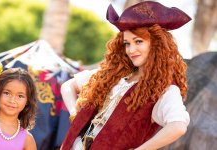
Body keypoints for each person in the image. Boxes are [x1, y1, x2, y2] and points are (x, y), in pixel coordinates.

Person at [60, 1, 191, 150]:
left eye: (138, 41)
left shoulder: (163, 90)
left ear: (156, 44)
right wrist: (74, 114)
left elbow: (178, 126)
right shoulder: (115, 75)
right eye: (127, 43)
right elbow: (68, 86)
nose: (130, 49)